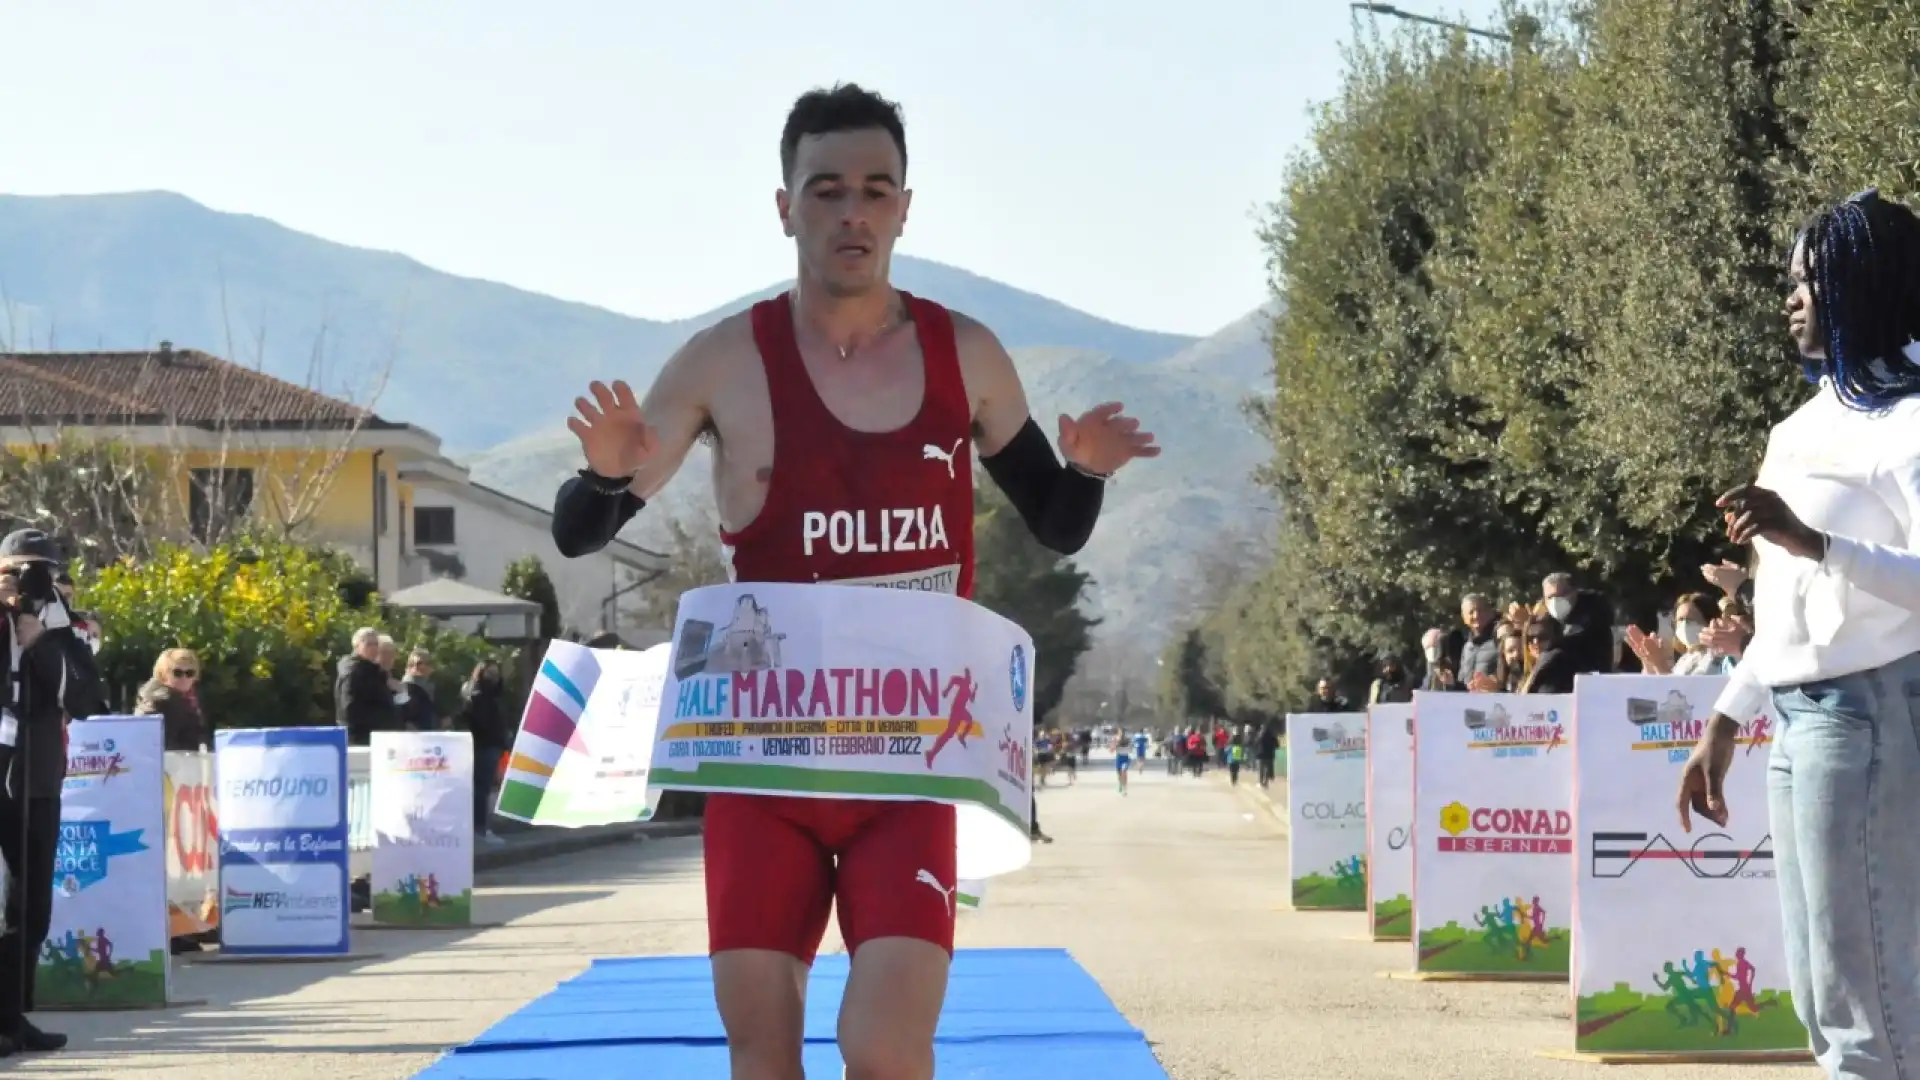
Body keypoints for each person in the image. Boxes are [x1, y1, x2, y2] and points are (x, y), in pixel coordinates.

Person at [547, 83, 1157, 1080]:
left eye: (876, 190)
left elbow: (1054, 523)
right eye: (826, 191)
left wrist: (1085, 468)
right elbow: (583, 533)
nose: (853, 213)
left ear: (905, 208)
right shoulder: (721, 362)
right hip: (764, 774)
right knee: (763, 1056)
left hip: (906, 769)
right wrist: (607, 473)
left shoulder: (968, 356)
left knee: (882, 1048)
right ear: (784, 207)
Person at [1677, 189, 1920, 1080]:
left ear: (1864, 282)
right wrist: (1726, 717)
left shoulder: (1914, 417)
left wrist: (1813, 538)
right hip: (1797, 718)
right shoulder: (1798, 427)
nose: (1790, 298)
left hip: (1875, 714)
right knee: (1820, 991)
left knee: (1870, 996)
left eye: (1807, 279)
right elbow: (1781, 599)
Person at [0, 529, 105, 1057]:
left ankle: (11, 1015)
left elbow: (87, 698)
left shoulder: (64, 628)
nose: (28, 582)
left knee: (32, 907)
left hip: (37, 778)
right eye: (18, 570)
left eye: (41, 571)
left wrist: (41, 640)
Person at [1111, 730, 1131, 796]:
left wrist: (1126, 745)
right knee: (1119, 774)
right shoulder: (1115, 739)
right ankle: (1120, 784)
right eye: (1119, 733)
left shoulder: (1127, 739)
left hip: (1125, 758)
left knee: (1124, 772)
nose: (1121, 734)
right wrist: (1115, 744)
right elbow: (1111, 750)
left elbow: (1130, 749)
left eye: (1122, 732)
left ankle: (1125, 789)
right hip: (1119, 758)